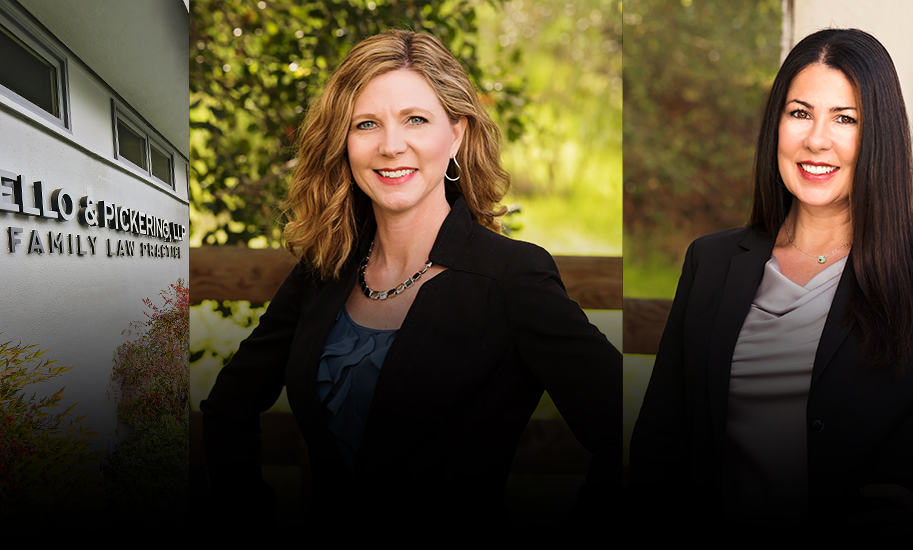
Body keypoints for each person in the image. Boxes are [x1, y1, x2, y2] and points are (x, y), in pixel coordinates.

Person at [626, 27, 913, 539]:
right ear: (776, 126)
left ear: (879, 137)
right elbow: (658, 452)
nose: (816, 139)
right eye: (800, 112)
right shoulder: (712, 261)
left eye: (846, 119)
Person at [200, 30, 622, 529]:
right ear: (344, 141)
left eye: (415, 120)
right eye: (366, 124)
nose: (390, 146)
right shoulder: (324, 272)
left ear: (457, 134)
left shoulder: (511, 277)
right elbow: (228, 409)